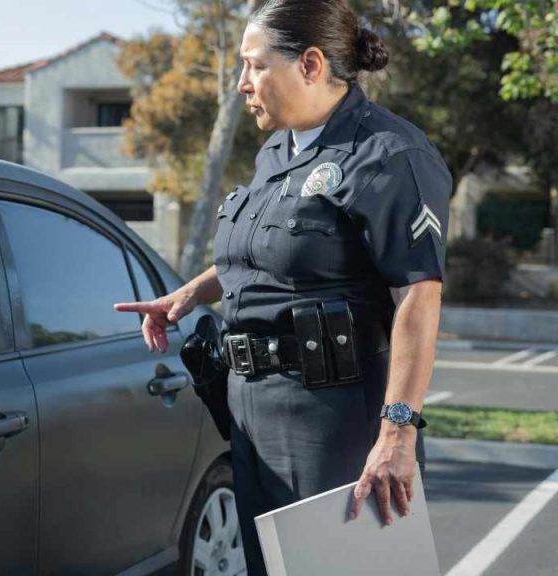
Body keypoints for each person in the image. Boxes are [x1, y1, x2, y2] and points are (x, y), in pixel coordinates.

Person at [115, 1, 450, 573]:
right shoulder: (277, 152)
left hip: (335, 419)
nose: (242, 83)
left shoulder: (391, 155)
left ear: (311, 65)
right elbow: (269, 253)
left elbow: (418, 294)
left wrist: (397, 433)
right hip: (251, 412)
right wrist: (190, 293)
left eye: (254, 65)